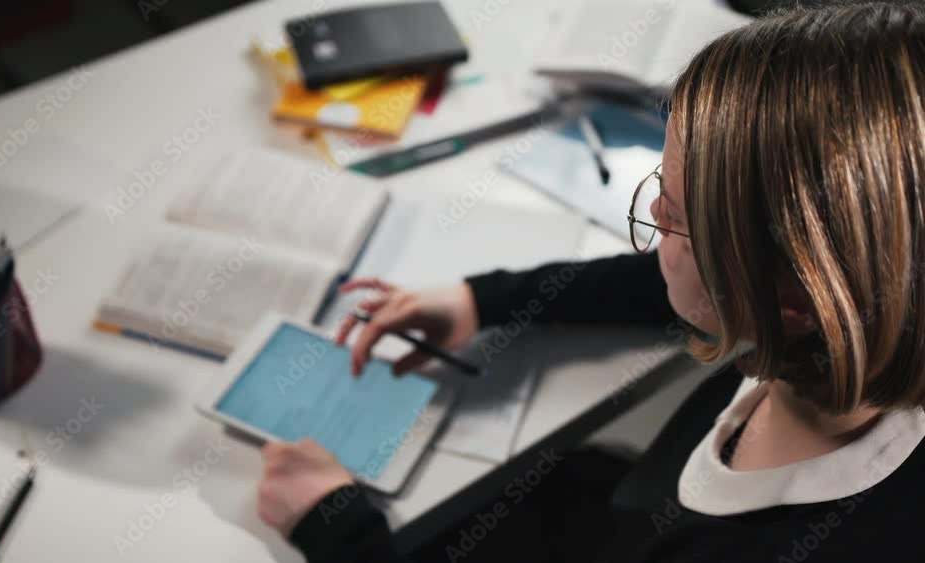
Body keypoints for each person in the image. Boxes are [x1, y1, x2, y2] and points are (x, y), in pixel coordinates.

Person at [257, 2, 925, 561]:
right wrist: (482, 300)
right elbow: (667, 285)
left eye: (676, 218)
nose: (655, 212)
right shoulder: (872, 313)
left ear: (796, 300)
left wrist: (337, 527)